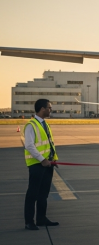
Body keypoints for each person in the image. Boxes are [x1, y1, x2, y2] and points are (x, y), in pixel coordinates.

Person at [23, 99, 59, 231]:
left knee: (43, 194)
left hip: (48, 164)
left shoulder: (44, 124)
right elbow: (29, 146)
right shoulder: (31, 125)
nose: (51, 110)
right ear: (42, 109)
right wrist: (42, 159)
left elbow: (48, 144)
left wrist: (53, 160)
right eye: (49, 108)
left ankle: (41, 218)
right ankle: (29, 221)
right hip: (37, 165)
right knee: (32, 194)